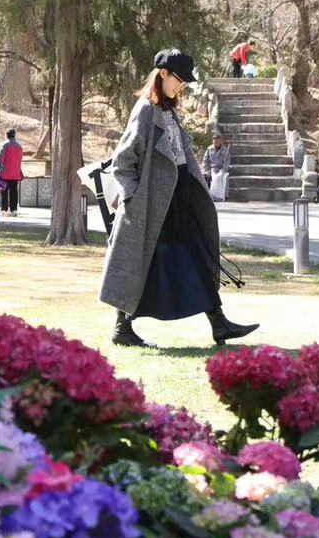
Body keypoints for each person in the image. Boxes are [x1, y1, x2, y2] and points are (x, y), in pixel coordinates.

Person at [100, 49, 257, 348]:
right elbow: (122, 159)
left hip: (180, 195)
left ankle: (219, 322)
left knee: (196, 253)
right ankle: (122, 327)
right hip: (154, 201)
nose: (182, 85)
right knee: (144, 259)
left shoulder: (170, 110)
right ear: (162, 74)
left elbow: (179, 155)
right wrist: (132, 195)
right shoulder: (146, 109)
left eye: (185, 81)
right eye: (179, 79)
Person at [0, 129, 24, 216]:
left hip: (5, 173)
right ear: (14, 135)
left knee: (4, 191)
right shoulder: (19, 146)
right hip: (15, 173)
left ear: (6, 135)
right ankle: (14, 210)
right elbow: (20, 160)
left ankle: (4, 210)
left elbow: (0, 158)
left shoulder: (4, 145)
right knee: (14, 192)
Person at [204, 132, 232, 203]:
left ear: (221, 140)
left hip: (222, 169)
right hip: (213, 169)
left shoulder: (226, 150)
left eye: (217, 139)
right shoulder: (209, 149)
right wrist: (207, 170)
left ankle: (224, 196)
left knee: (223, 177)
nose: (215, 140)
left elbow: (227, 162)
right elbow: (205, 160)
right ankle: (211, 195)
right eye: (214, 139)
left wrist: (223, 170)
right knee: (211, 177)